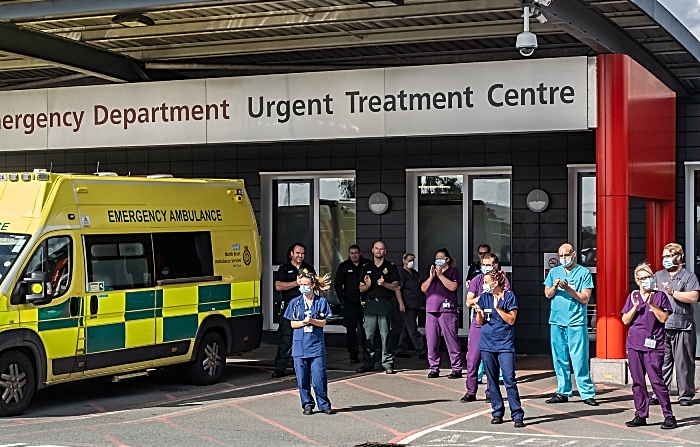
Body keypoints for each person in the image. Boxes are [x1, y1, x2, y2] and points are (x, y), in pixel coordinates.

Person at [622, 263, 677, 429]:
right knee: (637, 382)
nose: (648, 280)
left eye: (650, 277)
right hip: (634, 344)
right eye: (644, 278)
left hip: (654, 345)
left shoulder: (660, 297)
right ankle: (640, 414)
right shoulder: (633, 297)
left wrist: (652, 304)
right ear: (638, 281)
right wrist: (636, 307)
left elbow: (663, 319)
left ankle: (669, 416)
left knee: (656, 381)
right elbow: (625, 320)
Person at [543, 243, 598, 406]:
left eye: (566, 255)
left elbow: (585, 298)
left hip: (575, 321)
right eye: (560, 256)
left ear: (573, 254)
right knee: (560, 358)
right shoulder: (554, 272)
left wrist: (567, 289)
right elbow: (547, 294)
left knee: (579, 358)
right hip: (556, 320)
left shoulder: (584, 273)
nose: (563, 259)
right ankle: (563, 391)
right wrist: (554, 287)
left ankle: (586, 393)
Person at [650, 243, 699, 407]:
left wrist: (673, 293)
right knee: (661, 362)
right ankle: (659, 393)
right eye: (664, 256)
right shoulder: (658, 275)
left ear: (679, 257)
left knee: (684, 362)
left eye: (669, 256)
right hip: (662, 326)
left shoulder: (689, 276)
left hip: (683, 325)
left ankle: (685, 395)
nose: (665, 259)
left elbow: (693, 297)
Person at [473, 269, 524, 428]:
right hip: (487, 344)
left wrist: (498, 309)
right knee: (492, 380)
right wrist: (479, 312)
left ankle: (517, 414)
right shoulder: (484, 297)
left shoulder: (509, 297)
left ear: (496, 283)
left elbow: (511, 320)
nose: (484, 285)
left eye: (487, 282)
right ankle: (497, 412)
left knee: (509, 379)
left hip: (504, 345)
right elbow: (480, 322)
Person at [284, 271, 334, 415]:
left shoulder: (321, 302)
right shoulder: (295, 303)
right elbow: (292, 324)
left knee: (319, 377)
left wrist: (312, 321)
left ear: (312, 285)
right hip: (300, 346)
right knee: (302, 378)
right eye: (301, 285)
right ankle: (307, 404)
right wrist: (303, 322)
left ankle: (323, 404)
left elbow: (323, 322)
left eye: (306, 285)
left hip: (316, 346)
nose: (304, 288)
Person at [462, 253, 510, 403]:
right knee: (472, 359)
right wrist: (483, 296)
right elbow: (468, 302)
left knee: (490, 360)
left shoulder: (502, 281)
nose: (486, 268)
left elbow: (506, 298)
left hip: (494, 324)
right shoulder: (477, 280)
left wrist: (494, 292)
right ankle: (471, 391)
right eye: (484, 264)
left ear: (495, 266)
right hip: (478, 322)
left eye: (489, 265)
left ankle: (491, 391)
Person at [357, 241, 404, 374]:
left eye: (381, 249)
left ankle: (387, 363)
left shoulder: (391, 267)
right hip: (370, 304)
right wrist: (368, 285)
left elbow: (396, 286)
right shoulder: (366, 267)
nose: (378, 251)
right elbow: (360, 288)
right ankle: (368, 363)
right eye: (376, 249)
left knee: (386, 334)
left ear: (385, 251)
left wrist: (384, 284)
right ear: (372, 250)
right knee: (368, 335)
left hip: (385, 303)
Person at [272, 243, 316, 379]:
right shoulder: (284, 269)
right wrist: (296, 283)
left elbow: (316, 285)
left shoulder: (308, 268)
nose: (300, 256)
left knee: (306, 339)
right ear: (291, 253)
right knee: (286, 339)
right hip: (289, 309)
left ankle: (303, 369)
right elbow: (278, 286)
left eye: (302, 253)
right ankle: (280, 368)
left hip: (305, 308)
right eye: (297, 253)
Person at [421, 248, 462, 379]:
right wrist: (432, 276)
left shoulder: (453, 271)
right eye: (436, 257)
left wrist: (440, 275)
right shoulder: (431, 272)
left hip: (447, 310)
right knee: (432, 341)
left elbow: (453, 287)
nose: (438, 260)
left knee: (451, 339)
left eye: (441, 257)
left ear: (447, 259)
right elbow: (423, 288)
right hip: (431, 310)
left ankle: (456, 368)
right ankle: (434, 367)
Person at [334, 244, 369, 363]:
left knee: (367, 330)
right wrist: (342, 300)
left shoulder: (367, 264)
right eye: (352, 253)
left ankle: (368, 354)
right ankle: (353, 355)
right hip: (350, 303)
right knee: (351, 330)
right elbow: (337, 284)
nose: (354, 255)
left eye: (356, 253)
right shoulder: (344, 266)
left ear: (360, 253)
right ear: (349, 254)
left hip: (365, 302)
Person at [394, 253, 427, 359]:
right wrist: (401, 303)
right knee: (413, 328)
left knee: (406, 327)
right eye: (409, 260)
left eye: (412, 260)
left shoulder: (415, 274)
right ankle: (421, 350)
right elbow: (398, 289)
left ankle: (401, 349)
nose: (411, 262)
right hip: (407, 305)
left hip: (415, 304)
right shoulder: (402, 273)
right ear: (404, 261)